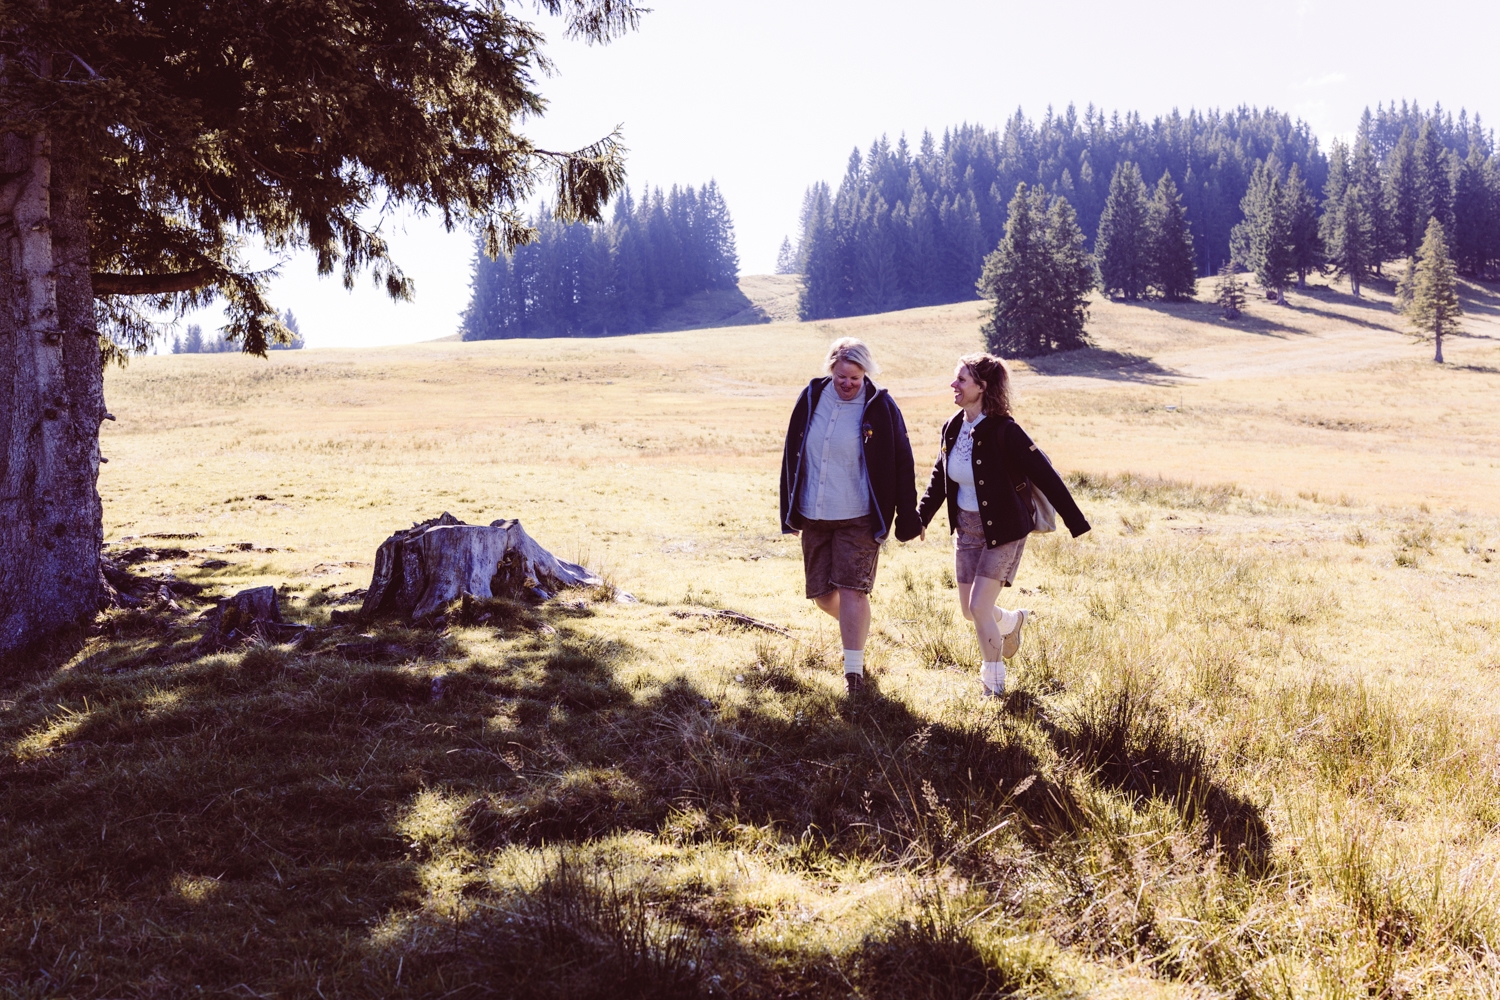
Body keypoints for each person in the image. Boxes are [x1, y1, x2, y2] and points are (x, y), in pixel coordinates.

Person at [917, 353, 1090, 697]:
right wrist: (920, 517)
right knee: (970, 610)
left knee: (980, 607)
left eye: (961, 380)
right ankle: (1011, 621)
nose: (954, 385)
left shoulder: (1006, 431)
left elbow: (1045, 474)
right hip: (966, 529)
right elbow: (941, 476)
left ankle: (993, 687)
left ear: (981, 387)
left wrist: (1076, 521)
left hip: (1004, 531)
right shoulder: (953, 427)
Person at [780, 337, 923, 694]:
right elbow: (792, 455)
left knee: (853, 590)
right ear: (831, 370)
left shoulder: (880, 407)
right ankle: (857, 626)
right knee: (822, 596)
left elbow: (902, 464)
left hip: (859, 514)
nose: (847, 384)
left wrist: (909, 516)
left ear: (865, 375)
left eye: (855, 379)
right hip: (814, 512)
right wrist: (790, 511)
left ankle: (853, 673)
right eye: (842, 377)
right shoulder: (812, 398)